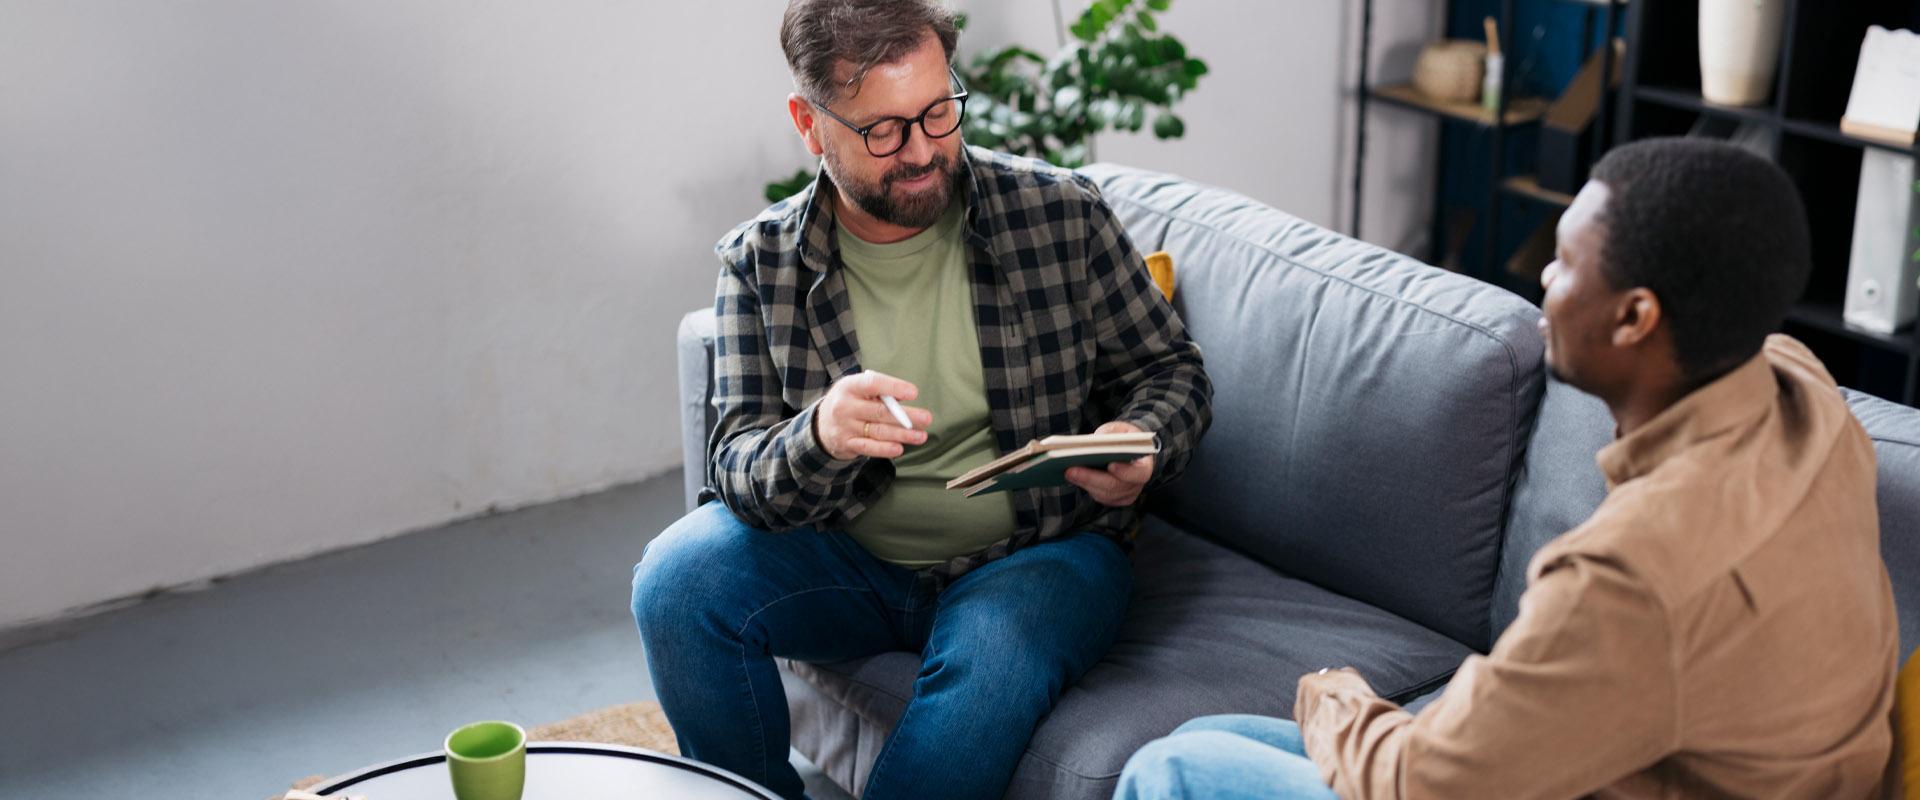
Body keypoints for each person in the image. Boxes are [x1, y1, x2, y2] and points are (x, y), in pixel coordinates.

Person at [1115, 137, 1897, 799]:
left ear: (1635, 317)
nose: (1545, 284)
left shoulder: (1631, 575)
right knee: (1216, 734)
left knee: (1172, 768)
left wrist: (1334, 693)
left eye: (1564, 263)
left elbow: (1425, 786)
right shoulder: (1803, 392)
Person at [630, 2, 1213, 798]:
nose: (923, 152)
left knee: (999, 651)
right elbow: (735, 467)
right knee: (675, 581)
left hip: (1040, 554)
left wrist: (1143, 441)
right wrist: (819, 435)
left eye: (939, 113)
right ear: (810, 124)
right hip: (852, 556)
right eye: (884, 130)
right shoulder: (762, 264)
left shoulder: (1057, 214)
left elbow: (1172, 370)